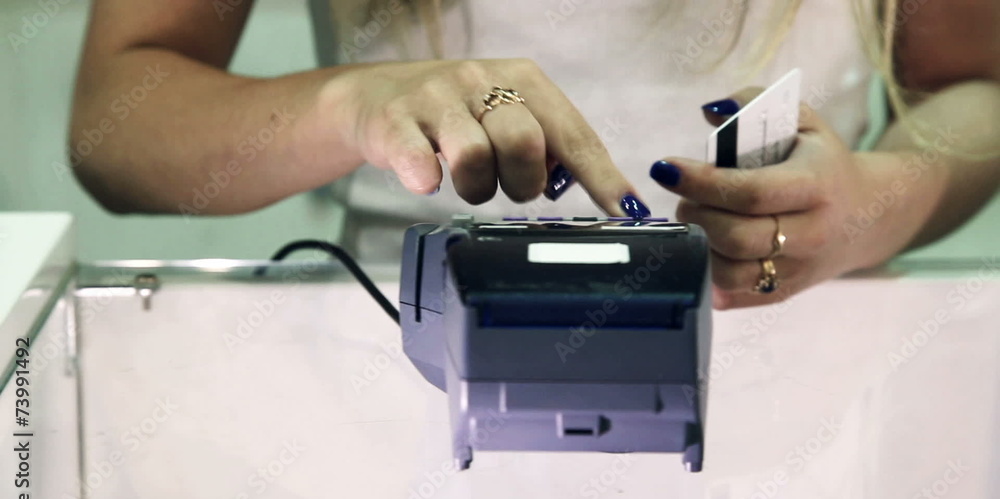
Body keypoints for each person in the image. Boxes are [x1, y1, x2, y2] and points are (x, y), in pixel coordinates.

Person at [70, 0, 1000, 309]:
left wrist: (879, 198)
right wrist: (348, 106)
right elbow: (116, 121)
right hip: (395, 377)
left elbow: (973, 87)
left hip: (795, 370)